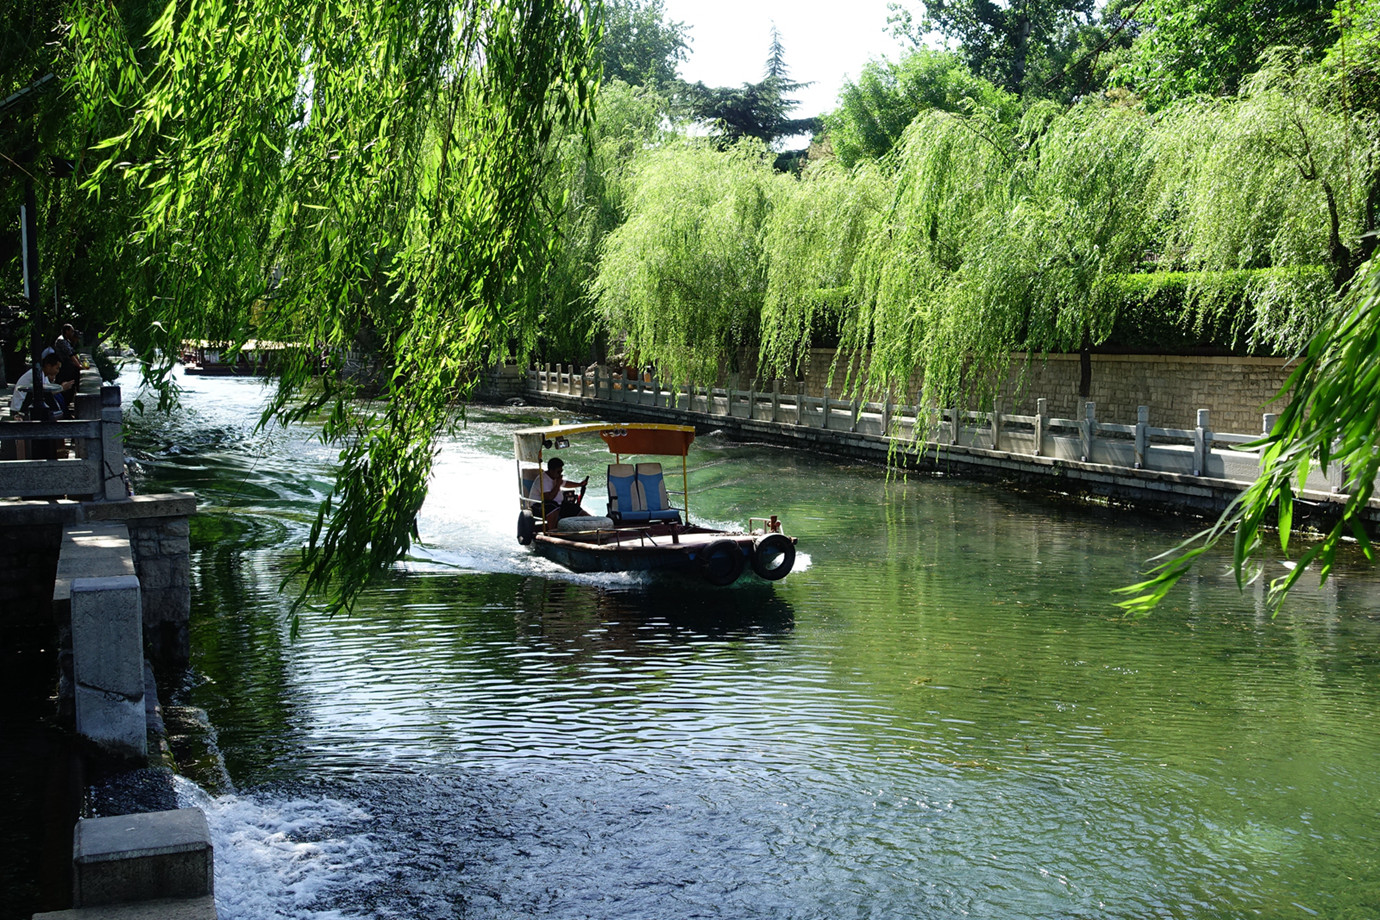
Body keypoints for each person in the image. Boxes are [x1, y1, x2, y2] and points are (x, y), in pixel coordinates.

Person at [532, 456, 590, 527]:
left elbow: (565, 483)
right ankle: (552, 531)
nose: (560, 474)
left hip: (558, 504)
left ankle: (592, 523)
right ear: (551, 470)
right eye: (558, 472)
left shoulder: (555, 477)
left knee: (574, 508)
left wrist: (579, 484)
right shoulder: (543, 479)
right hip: (539, 506)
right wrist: (558, 484)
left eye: (561, 471)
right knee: (553, 507)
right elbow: (548, 498)